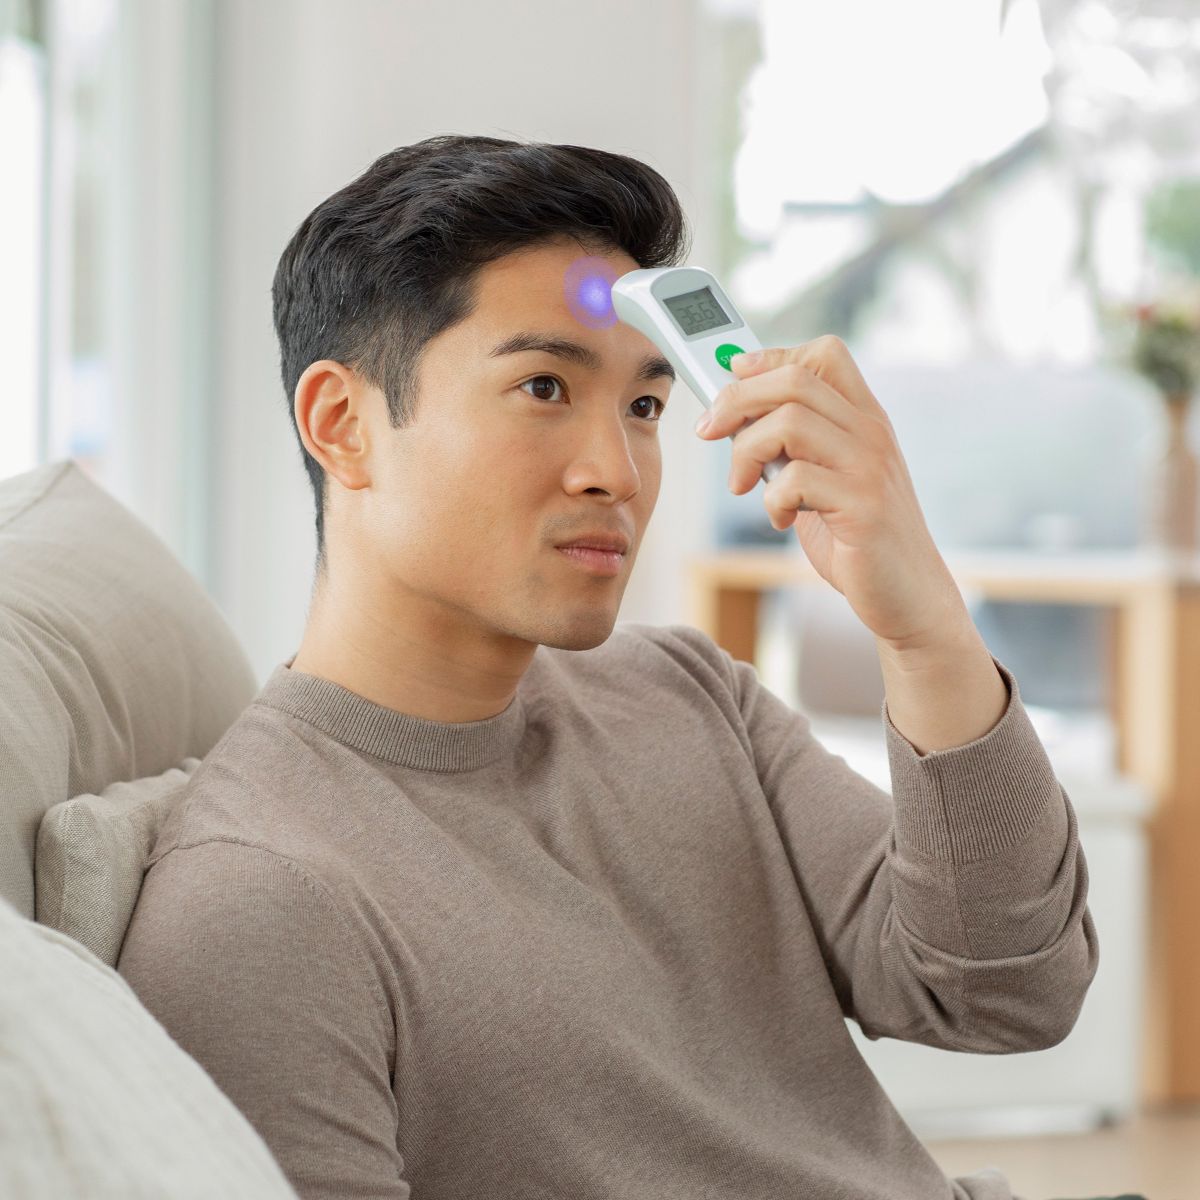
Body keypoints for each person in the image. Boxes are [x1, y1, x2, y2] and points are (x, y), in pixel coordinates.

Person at [117, 134, 1103, 1200]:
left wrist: (925, 632)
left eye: (644, 407)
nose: (619, 473)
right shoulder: (259, 903)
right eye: (544, 386)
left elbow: (1012, 992)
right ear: (342, 423)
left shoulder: (689, 694)